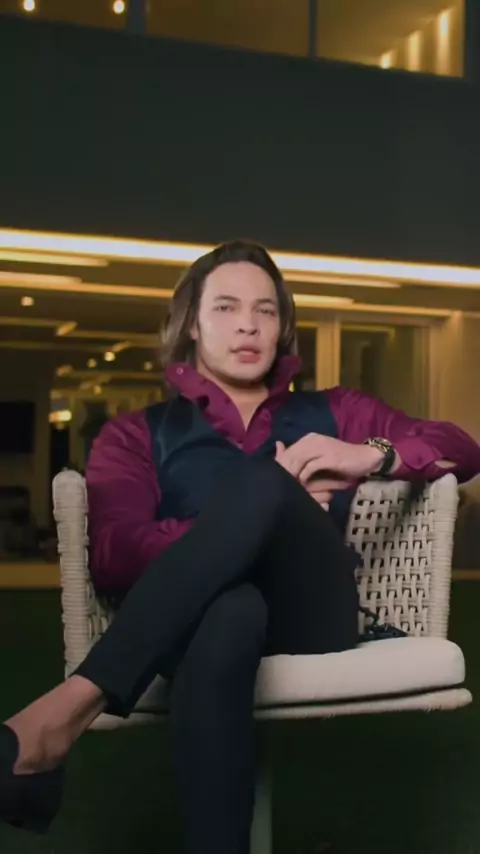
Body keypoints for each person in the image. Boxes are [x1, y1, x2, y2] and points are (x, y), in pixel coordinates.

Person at [1, 240, 480, 853]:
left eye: (265, 310)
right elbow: (114, 553)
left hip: (314, 611)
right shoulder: (135, 434)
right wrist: (247, 526)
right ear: (191, 325)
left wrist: (370, 454)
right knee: (231, 606)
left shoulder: (337, 410)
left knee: (262, 483)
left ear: (282, 327)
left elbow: (461, 449)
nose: (248, 324)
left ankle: (66, 710)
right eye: (226, 307)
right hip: (200, 618)